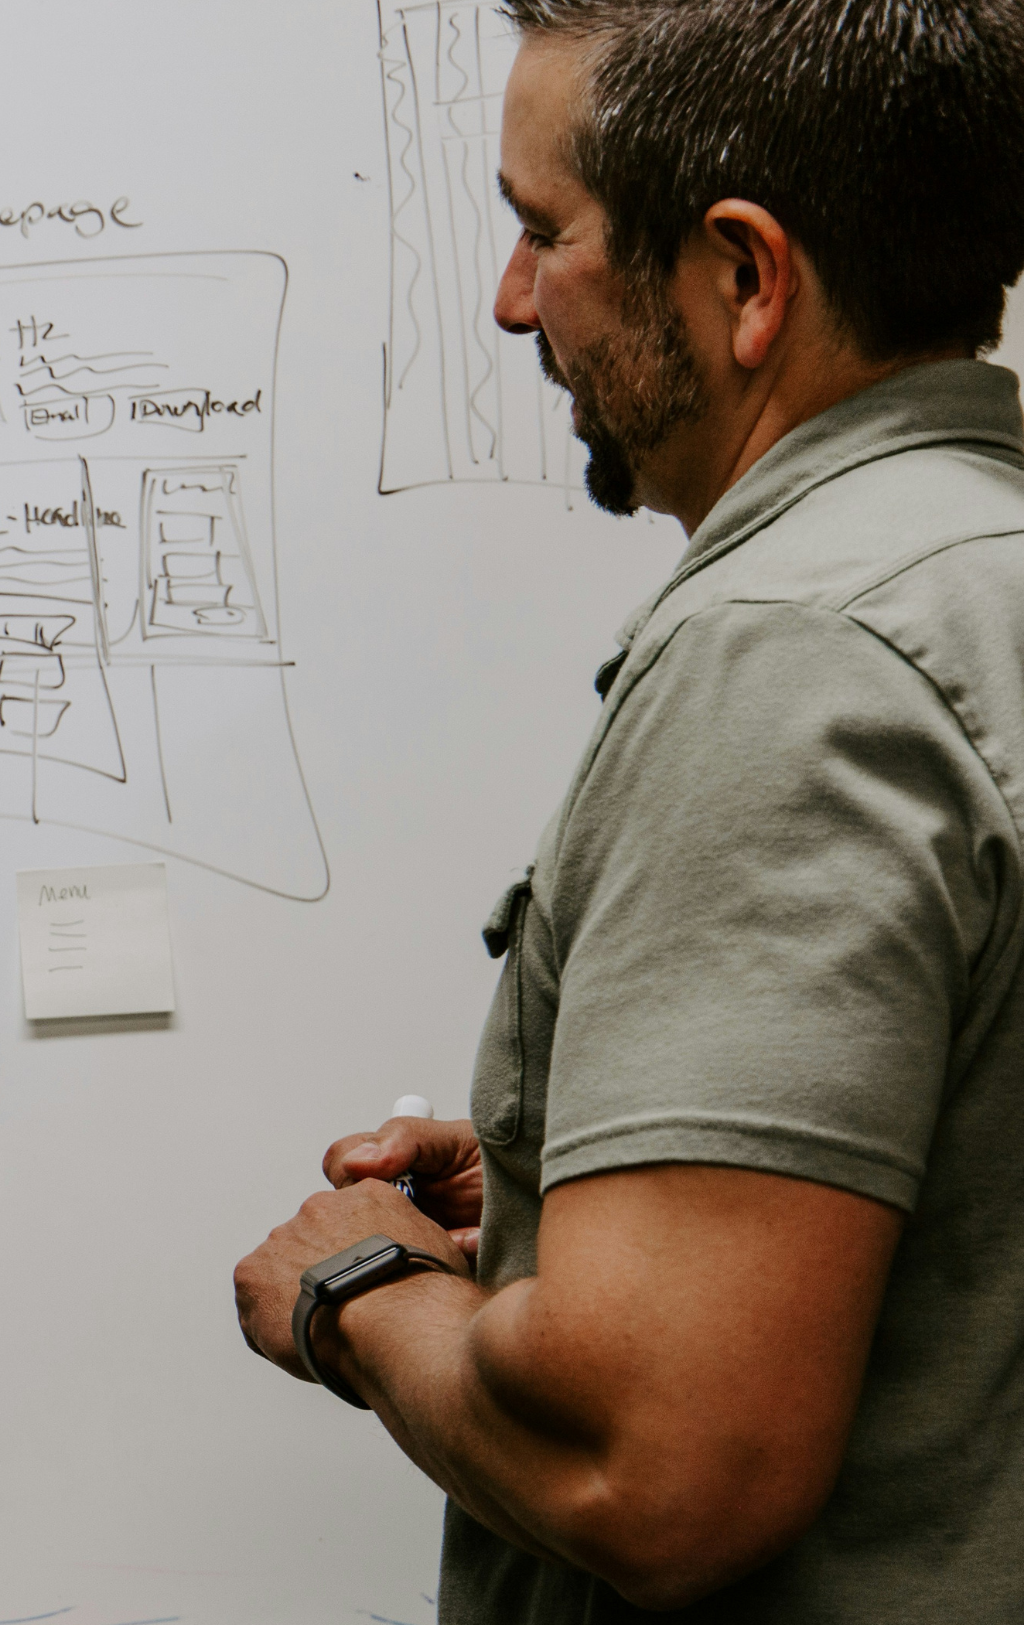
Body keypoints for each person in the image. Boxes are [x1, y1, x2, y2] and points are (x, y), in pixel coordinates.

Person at [230, 1, 1024, 1619]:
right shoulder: (979, 572)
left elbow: (655, 1471)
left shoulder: (796, 657)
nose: (513, 299)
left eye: (545, 232)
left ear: (743, 275)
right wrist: (557, 1189)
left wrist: (354, 1288)